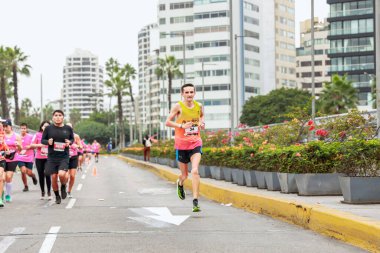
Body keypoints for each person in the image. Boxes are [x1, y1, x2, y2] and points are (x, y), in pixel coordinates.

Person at [165, 83, 205, 212]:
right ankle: (180, 183)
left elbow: (201, 116)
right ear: (182, 94)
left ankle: (195, 201)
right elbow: (167, 122)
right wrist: (182, 126)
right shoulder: (178, 106)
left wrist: (202, 123)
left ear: (194, 93)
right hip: (181, 145)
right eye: (186, 92)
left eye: (191, 92)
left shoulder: (199, 106)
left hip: (195, 142)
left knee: (194, 171)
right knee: (184, 175)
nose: (189, 95)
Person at [42, 110, 74, 204]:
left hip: (64, 156)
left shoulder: (68, 128)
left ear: (63, 117)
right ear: (53, 117)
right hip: (52, 157)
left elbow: (72, 139)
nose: (58, 117)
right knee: (54, 177)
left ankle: (63, 186)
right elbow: (42, 140)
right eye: (56, 115)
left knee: (61, 174)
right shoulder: (48, 128)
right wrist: (48, 142)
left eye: (60, 115)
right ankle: (57, 195)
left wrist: (70, 142)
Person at [31, 120, 52, 200]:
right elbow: (32, 144)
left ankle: (49, 192)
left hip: (49, 158)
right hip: (39, 158)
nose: (46, 127)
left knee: (47, 173)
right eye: (44, 126)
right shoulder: (37, 135)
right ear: (41, 127)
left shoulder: (52, 135)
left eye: (47, 126)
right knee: (41, 175)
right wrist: (42, 145)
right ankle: (43, 192)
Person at [3, 119, 22, 203]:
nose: (5, 128)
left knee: (9, 176)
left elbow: (20, 149)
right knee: (2, 178)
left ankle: (8, 195)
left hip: (13, 158)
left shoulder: (17, 136)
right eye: (4, 127)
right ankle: (2, 192)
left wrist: (18, 146)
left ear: (10, 126)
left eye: (6, 126)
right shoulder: (1, 136)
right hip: (3, 158)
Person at [17, 123, 38, 192]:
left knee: (29, 173)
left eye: (24, 128)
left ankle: (33, 176)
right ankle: (26, 186)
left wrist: (30, 146)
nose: (23, 130)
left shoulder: (31, 137)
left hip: (29, 157)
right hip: (20, 157)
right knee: (23, 171)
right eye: (22, 128)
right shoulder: (17, 137)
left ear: (26, 129)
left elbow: (35, 145)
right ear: (20, 129)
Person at [65, 123, 82, 199]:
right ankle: (63, 186)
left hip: (73, 157)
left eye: (70, 128)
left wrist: (77, 146)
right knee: (65, 176)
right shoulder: (62, 136)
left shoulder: (76, 136)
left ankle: (69, 191)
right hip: (64, 157)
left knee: (72, 176)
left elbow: (81, 147)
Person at [0, 121, 8, 207]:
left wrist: (7, 148)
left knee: (0, 177)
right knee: (2, 178)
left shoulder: (2, 133)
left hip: (1, 158)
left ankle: (0, 199)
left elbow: (4, 143)